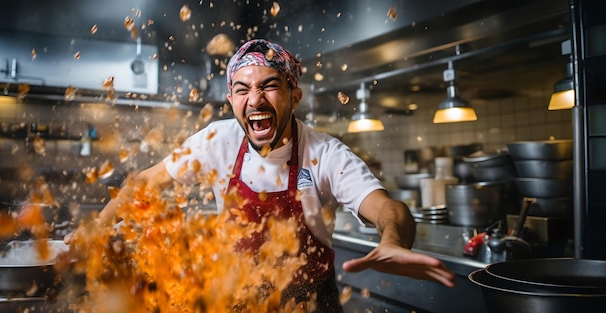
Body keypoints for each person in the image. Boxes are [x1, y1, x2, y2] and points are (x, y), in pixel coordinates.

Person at [68, 38, 455, 312]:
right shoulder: (217, 141)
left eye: (269, 86)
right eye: (242, 90)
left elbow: (390, 210)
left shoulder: (325, 154)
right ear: (232, 100)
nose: (255, 99)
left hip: (310, 306)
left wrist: (394, 241)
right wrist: (96, 231)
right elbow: (142, 185)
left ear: (294, 94)